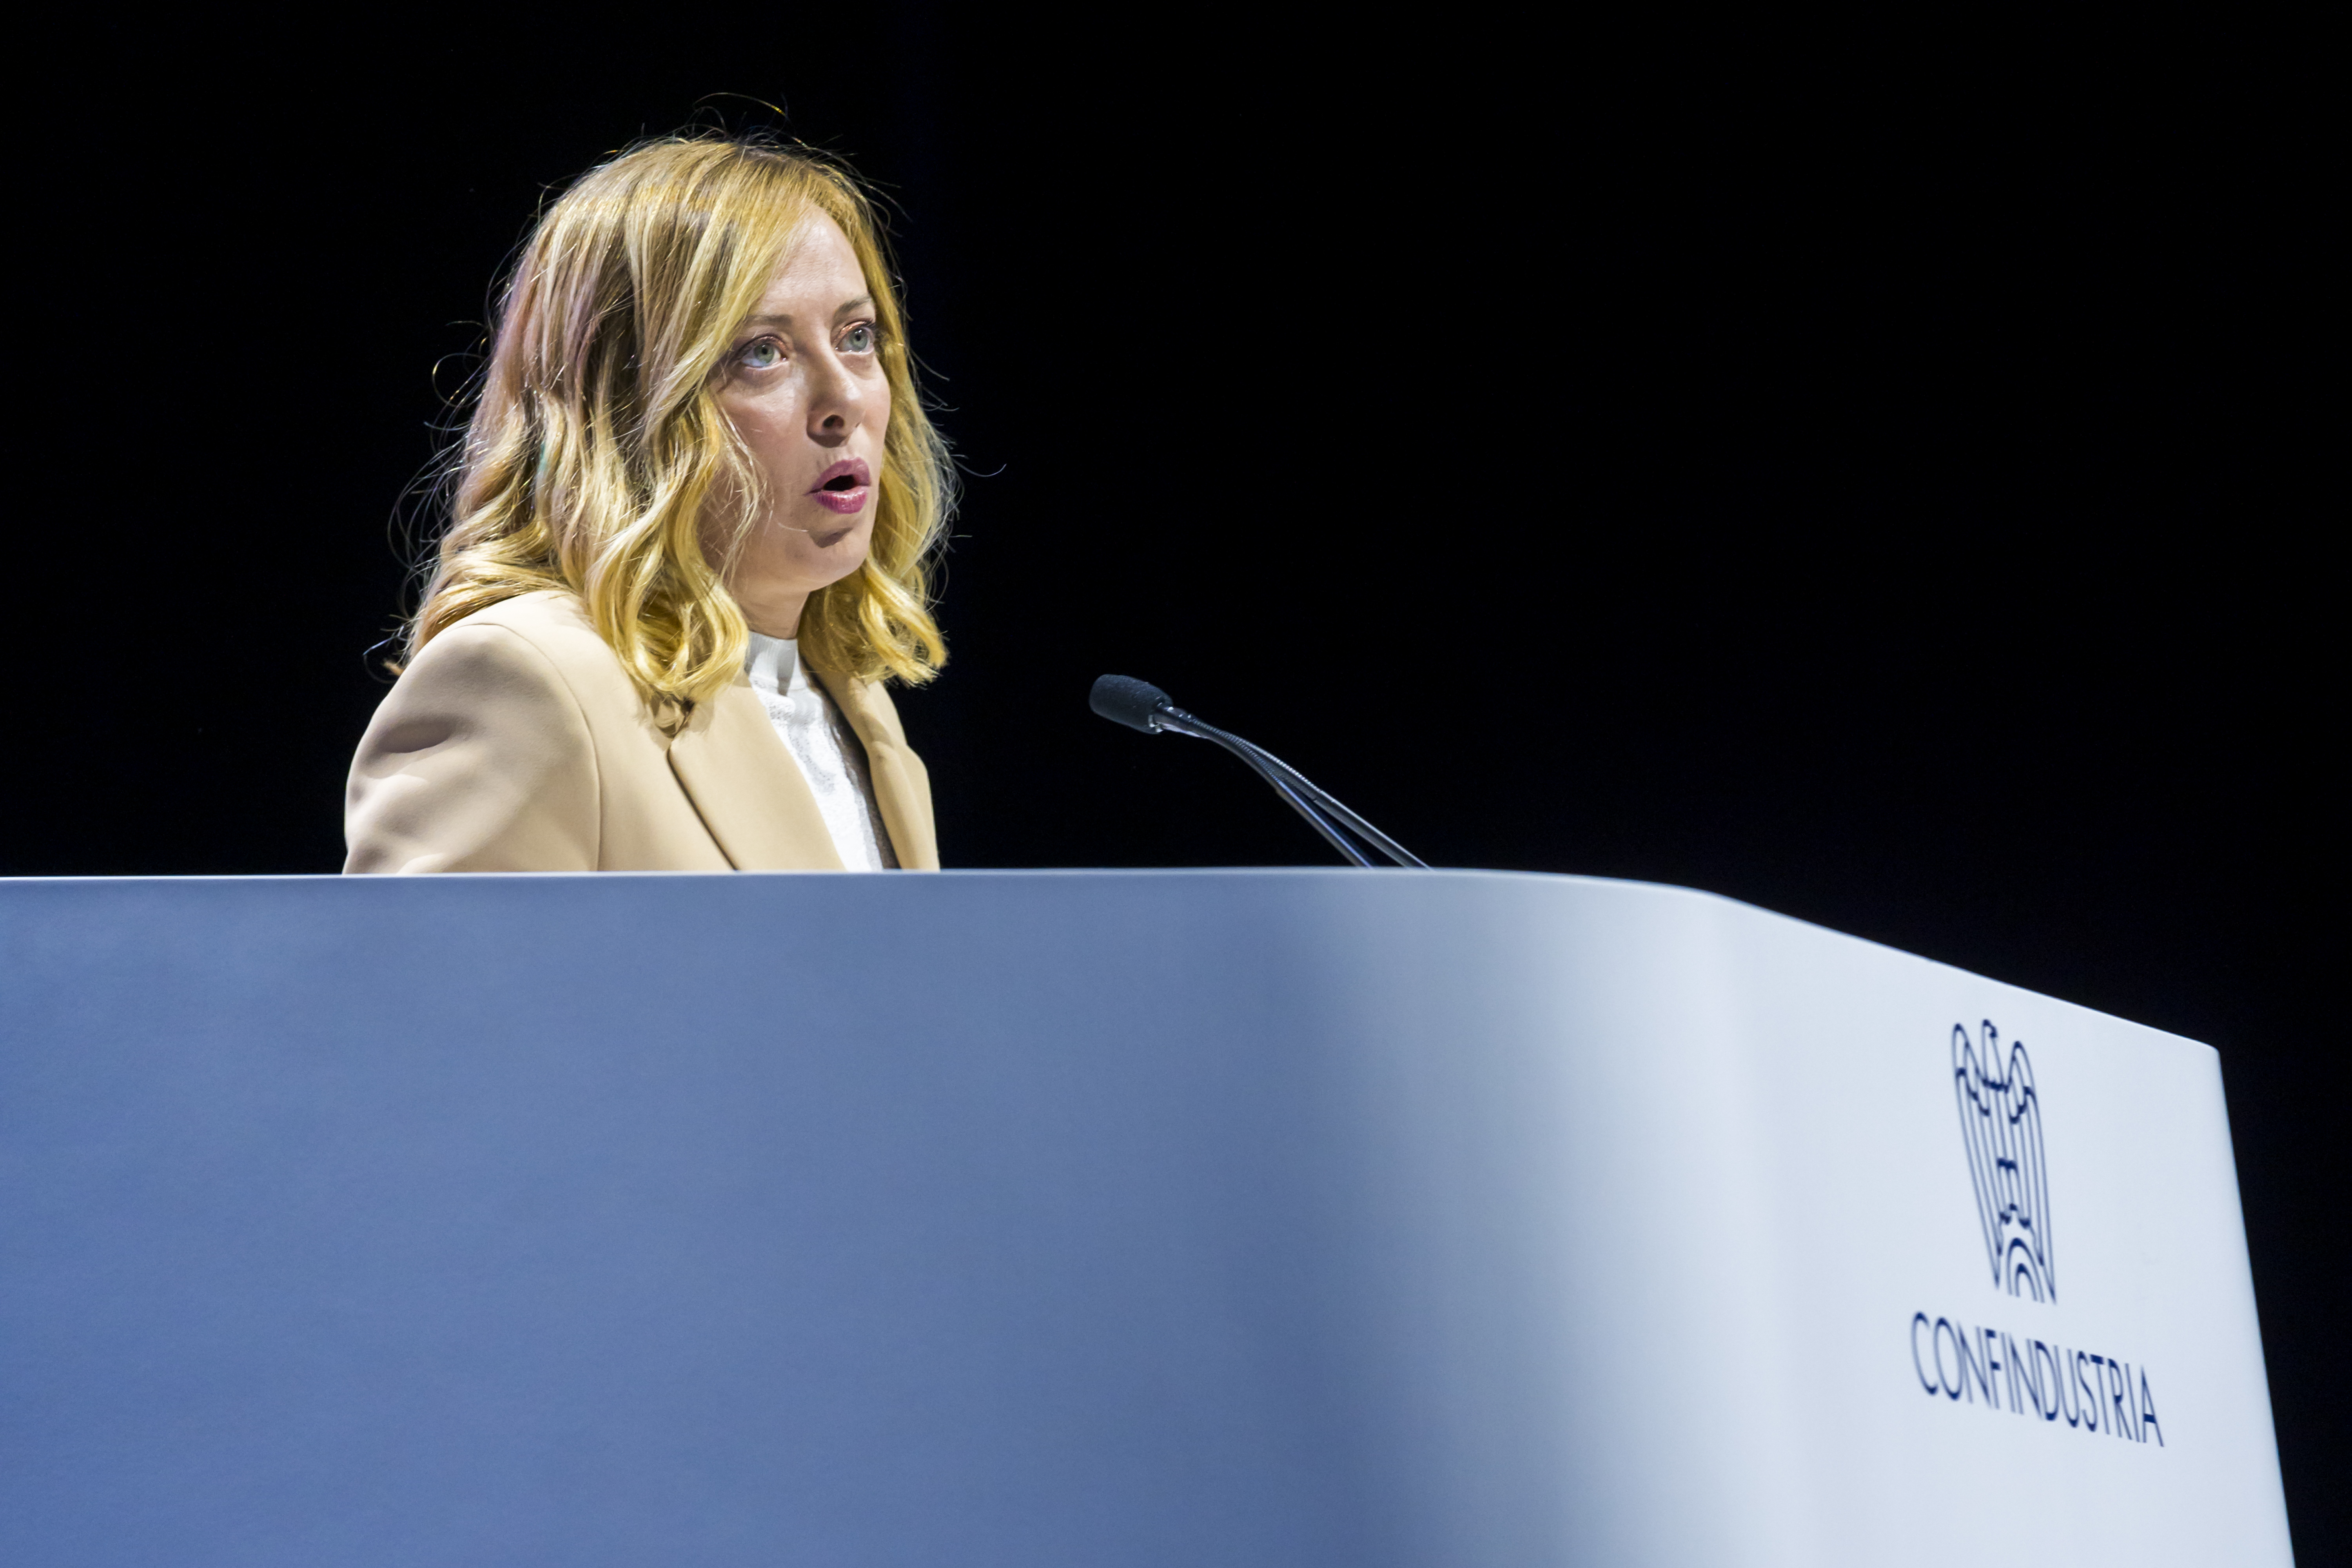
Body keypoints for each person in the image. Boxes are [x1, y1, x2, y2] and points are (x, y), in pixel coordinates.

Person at [344, 136, 949, 873]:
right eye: (763, 351)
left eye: (857, 338)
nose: (845, 399)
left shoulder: (856, 705)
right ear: (623, 410)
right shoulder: (524, 681)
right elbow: (427, 990)